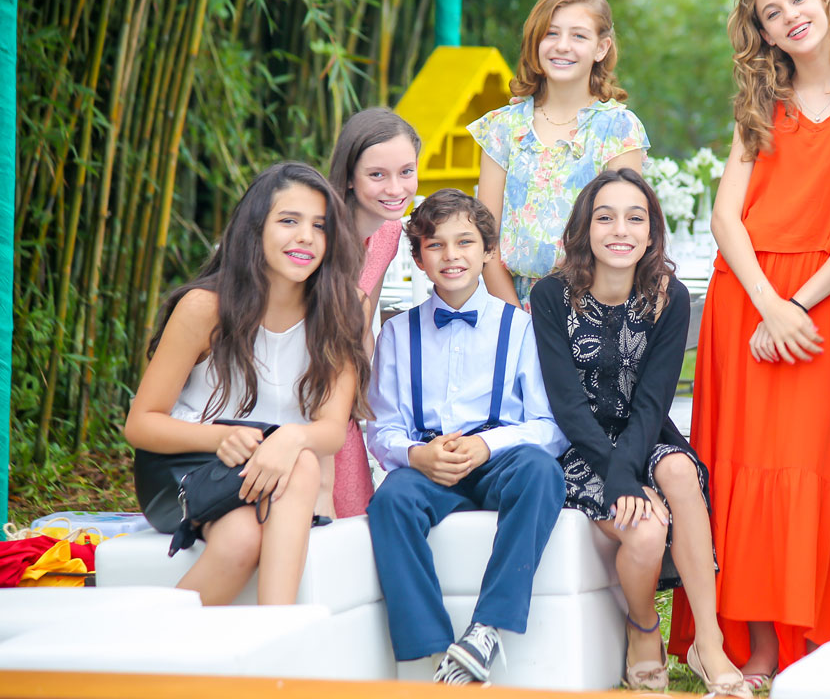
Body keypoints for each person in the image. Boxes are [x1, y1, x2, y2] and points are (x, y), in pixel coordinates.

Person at [668, 0, 830, 681]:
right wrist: (768, 305)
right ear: (762, 33)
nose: (791, 15)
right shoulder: (762, 103)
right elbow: (726, 217)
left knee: (810, 467)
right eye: (771, 12)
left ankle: (808, 636)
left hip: (821, 305)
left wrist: (796, 306)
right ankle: (755, 643)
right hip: (747, 299)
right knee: (745, 468)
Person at [530, 169, 750, 697]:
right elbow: (567, 406)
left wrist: (631, 469)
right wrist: (619, 476)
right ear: (584, 229)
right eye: (605, 218)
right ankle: (644, 626)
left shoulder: (667, 298)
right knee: (646, 532)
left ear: (651, 232)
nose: (620, 230)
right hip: (577, 448)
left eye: (635, 218)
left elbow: (652, 403)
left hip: (645, 434)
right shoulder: (551, 296)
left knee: (679, 470)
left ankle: (708, 641)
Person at [126, 162, 371, 605]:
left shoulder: (343, 309)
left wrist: (289, 438)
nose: (306, 237)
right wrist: (221, 437)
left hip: (274, 467)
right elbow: (141, 424)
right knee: (301, 466)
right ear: (255, 229)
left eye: (319, 226)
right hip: (187, 465)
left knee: (244, 535)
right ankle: (280, 629)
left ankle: (160, 642)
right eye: (289, 221)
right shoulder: (205, 309)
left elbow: (332, 430)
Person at [365, 189, 568, 685]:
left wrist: (486, 446)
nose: (451, 255)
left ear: (488, 252)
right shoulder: (397, 334)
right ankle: (432, 655)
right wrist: (417, 454)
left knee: (541, 472)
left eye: (465, 242)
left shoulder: (520, 328)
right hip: (430, 463)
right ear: (418, 259)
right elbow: (383, 427)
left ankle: (487, 628)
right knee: (391, 501)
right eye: (435, 245)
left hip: (499, 459)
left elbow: (549, 425)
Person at [470, 0, 649, 310]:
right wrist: (518, 323)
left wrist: (581, 321)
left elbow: (622, 236)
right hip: (511, 305)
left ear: (601, 48)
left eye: (578, 36)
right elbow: (487, 242)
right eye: (551, 33)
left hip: (593, 306)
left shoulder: (619, 129)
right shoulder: (503, 127)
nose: (562, 46)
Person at [326, 108, 421, 519]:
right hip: (300, 392)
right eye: (377, 175)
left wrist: (367, 395)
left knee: (354, 510)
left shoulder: (388, 231)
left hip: (340, 392)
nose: (395, 188)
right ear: (349, 176)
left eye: (406, 172)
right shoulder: (321, 233)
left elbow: (363, 319)